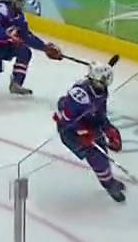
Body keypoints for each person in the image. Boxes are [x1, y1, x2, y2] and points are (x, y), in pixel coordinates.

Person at [53, 63, 126, 203]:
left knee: (102, 153)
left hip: (87, 125)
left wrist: (109, 129)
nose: (101, 85)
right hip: (70, 132)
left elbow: (99, 115)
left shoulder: (101, 91)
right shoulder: (80, 94)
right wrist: (83, 132)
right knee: (96, 155)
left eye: (103, 83)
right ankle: (108, 184)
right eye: (98, 82)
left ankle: (108, 180)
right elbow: (67, 119)